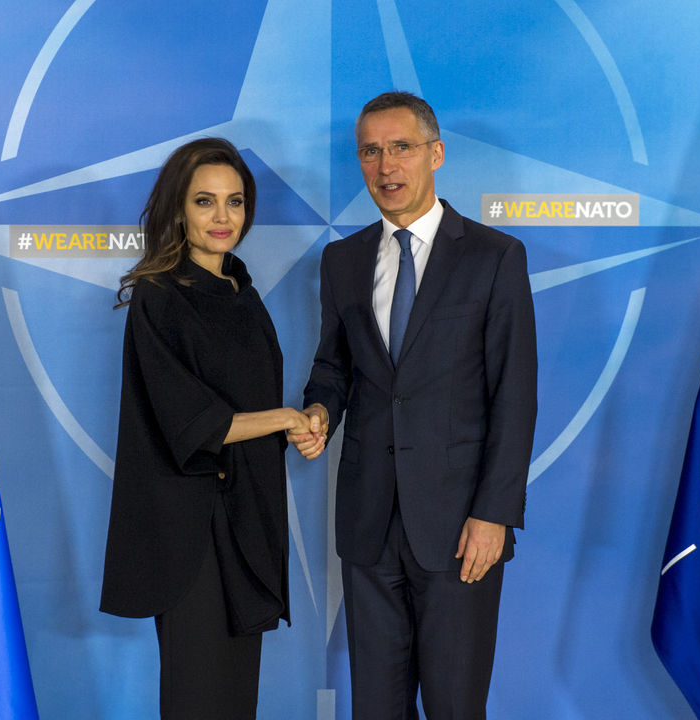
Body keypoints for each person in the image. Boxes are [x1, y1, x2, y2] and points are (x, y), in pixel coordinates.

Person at [291, 92, 538, 718]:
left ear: (436, 154)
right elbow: (333, 367)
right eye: (370, 152)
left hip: (460, 529)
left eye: (401, 147)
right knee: (376, 706)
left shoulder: (495, 256)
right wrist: (320, 411)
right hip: (369, 525)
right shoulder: (341, 260)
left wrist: (495, 514)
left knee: (455, 706)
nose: (385, 166)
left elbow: (514, 394)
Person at [101, 137, 307, 720]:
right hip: (192, 534)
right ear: (177, 210)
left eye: (235, 202)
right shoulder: (158, 297)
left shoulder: (243, 291)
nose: (223, 217)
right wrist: (286, 418)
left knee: (236, 702)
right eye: (205, 202)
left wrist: (300, 427)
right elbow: (191, 423)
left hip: (248, 526)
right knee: (199, 701)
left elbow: (253, 406)